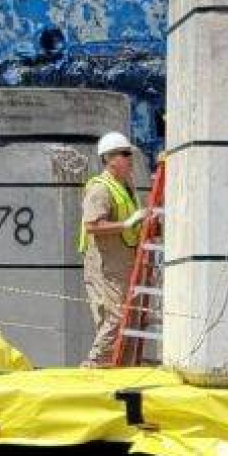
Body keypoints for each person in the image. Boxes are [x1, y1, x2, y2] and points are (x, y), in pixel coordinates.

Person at [78, 131, 146, 368]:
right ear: (110, 158)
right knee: (115, 317)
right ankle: (93, 364)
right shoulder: (100, 188)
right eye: (126, 154)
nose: (130, 159)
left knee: (124, 318)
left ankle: (115, 367)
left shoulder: (125, 186)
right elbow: (92, 225)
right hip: (105, 263)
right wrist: (127, 223)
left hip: (122, 261)